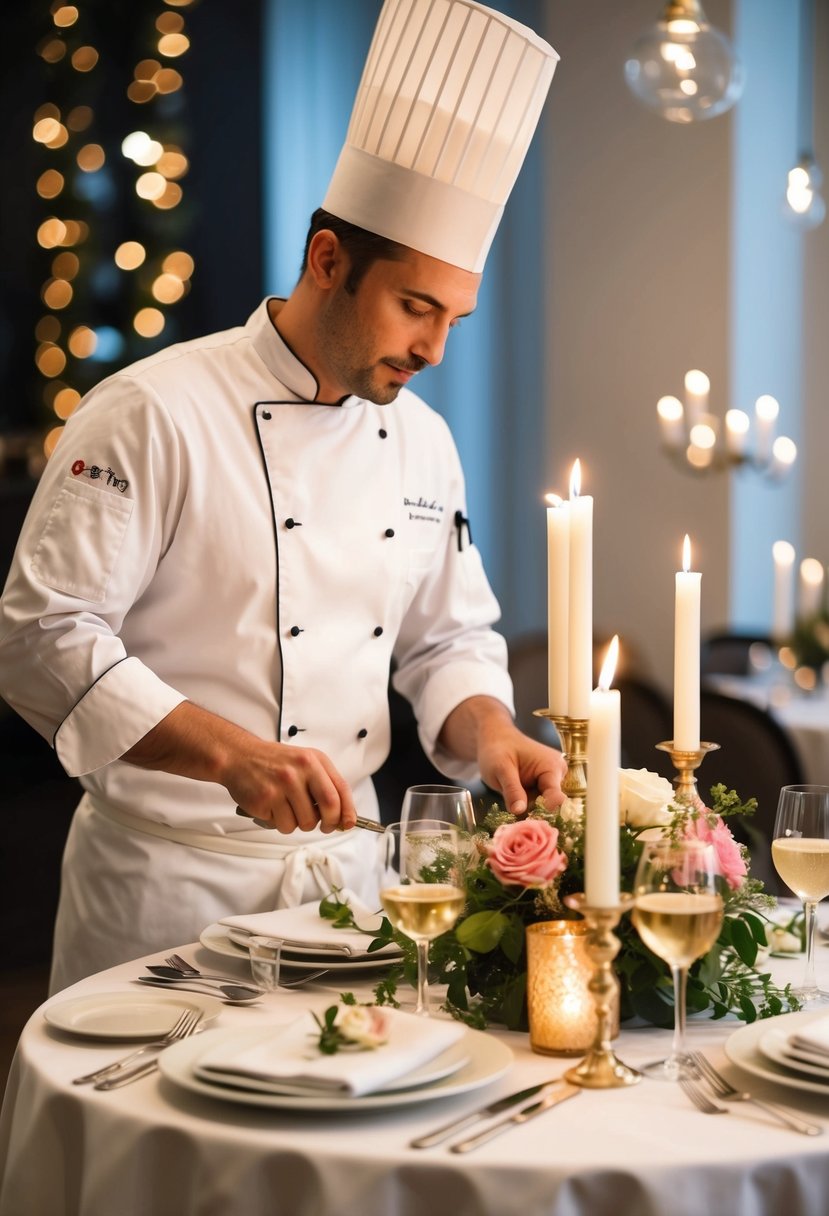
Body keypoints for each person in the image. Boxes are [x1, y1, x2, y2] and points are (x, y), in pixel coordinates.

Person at [0, 0, 563, 991]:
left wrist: (493, 732)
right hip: (165, 891)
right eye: (415, 306)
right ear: (328, 261)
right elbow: (42, 634)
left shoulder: (424, 441)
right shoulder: (152, 410)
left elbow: (446, 642)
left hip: (345, 899)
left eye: (454, 318)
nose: (433, 348)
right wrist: (231, 757)